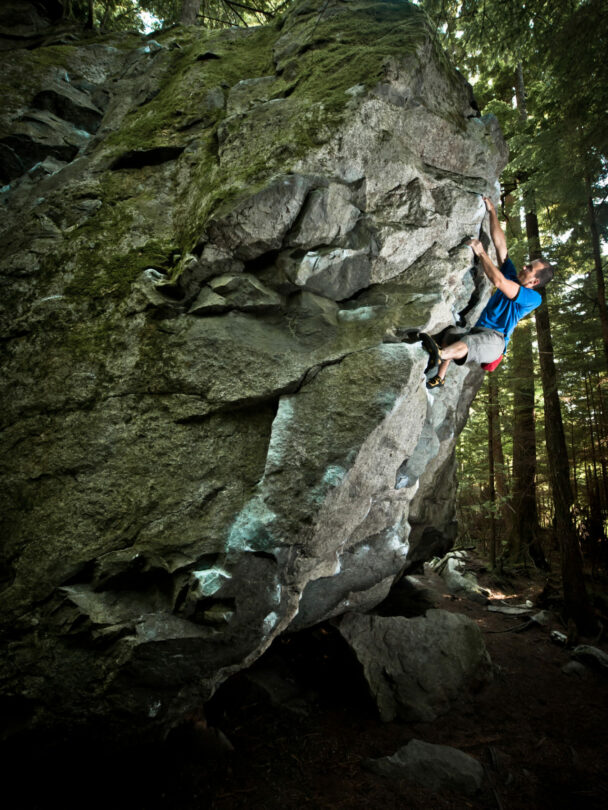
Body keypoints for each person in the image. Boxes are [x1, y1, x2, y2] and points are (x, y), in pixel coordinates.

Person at [426, 196, 555, 389]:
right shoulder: (512, 275)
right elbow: (500, 244)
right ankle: (440, 377)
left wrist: (480, 252)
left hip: (495, 341)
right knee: (452, 334)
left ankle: (440, 355)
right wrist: (492, 212)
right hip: (479, 331)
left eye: (529, 268)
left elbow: (498, 281)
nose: (524, 266)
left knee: (468, 341)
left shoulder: (533, 298)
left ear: (534, 281)